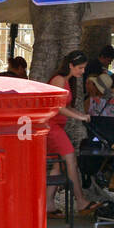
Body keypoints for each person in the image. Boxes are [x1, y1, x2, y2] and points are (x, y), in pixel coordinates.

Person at [46, 50, 99, 215]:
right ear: (70, 65)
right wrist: (80, 117)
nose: (82, 72)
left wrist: (80, 115)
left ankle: (48, 205)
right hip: (52, 127)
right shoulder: (59, 80)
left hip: (56, 127)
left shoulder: (67, 81)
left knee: (57, 166)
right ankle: (81, 201)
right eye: (80, 68)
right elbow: (58, 107)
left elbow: (65, 107)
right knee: (71, 161)